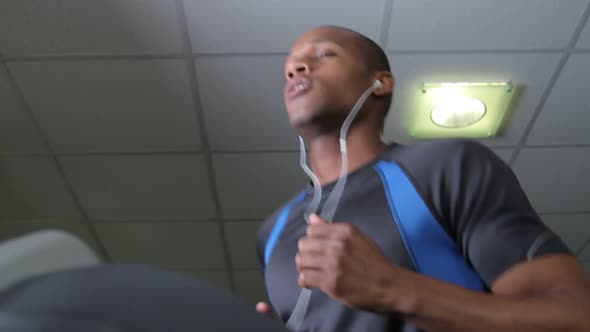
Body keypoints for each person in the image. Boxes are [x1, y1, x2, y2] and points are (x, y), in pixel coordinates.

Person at [255, 25, 590, 332]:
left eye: (323, 54)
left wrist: (393, 288)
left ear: (380, 82)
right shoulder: (273, 231)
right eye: (289, 67)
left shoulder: (447, 165)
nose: (295, 68)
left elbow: (574, 317)